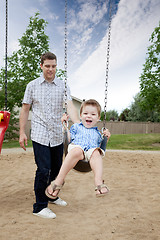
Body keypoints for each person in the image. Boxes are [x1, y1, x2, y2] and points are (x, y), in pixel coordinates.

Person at [19, 52, 80, 219]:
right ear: (41, 66)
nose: (50, 69)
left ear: (56, 66)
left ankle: (52, 196)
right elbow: (25, 110)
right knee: (43, 170)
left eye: (53, 66)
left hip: (56, 134)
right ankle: (39, 206)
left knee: (57, 169)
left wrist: (78, 124)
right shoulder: (32, 86)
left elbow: (69, 106)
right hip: (39, 133)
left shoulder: (63, 86)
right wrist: (22, 132)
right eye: (47, 66)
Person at [45, 99, 111, 201]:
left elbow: (101, 147)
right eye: (85, 113)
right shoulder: (76, 126)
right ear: (80, 116)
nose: (89, 116)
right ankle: (58, 181)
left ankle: (98, 182)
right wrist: (64, 126)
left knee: (96, 153)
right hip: (76, 147)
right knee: (77, 151)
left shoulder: (98, 133)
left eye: (93, 114)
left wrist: (106, 138)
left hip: (90, 152)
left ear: (98, 118)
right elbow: (68, 138)